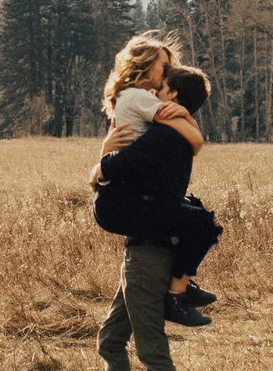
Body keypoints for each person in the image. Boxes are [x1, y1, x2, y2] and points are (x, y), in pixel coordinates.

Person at [91, 59, 217, 371]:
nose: (154, 94)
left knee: (151, 350)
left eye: (161, 89)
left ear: (174, 96)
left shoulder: (163, 139)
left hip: (148, 254)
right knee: (111, 340)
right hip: (145, 249)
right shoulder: (173, 135)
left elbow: (114, 167)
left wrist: (104, 158)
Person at [93, 37, 219, 324]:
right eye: (164, 67)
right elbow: (194, 141)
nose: (168, 71)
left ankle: (181, 286)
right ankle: (176, 295)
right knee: (199, 222)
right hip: (129, 195)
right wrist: (189, 117)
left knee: (195, 212)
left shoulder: (132, 98)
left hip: (130, 187)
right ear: (146, 67)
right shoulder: (141, 99)